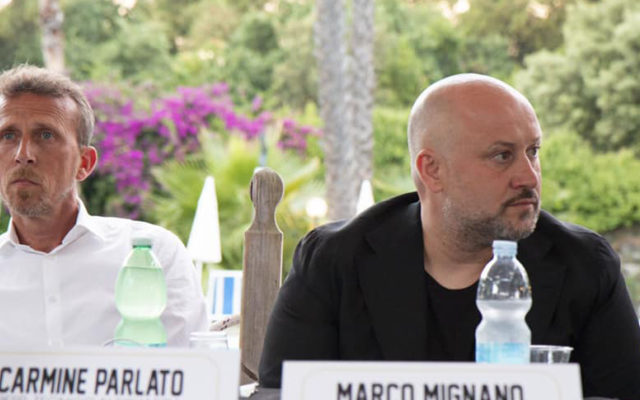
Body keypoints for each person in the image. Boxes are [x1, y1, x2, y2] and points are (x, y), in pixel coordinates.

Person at [258, 74, 640, 398]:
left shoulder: (583, 265)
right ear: (432, 170)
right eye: (502, 155)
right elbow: (279, 393)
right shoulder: (335, 261)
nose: (529, 176)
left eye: (533, 151)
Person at [0, 65, 208, 377]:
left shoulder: (155, 256)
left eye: (46, 135)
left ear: (85, 163)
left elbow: (194, 379)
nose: (23, 154)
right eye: (9, 136)